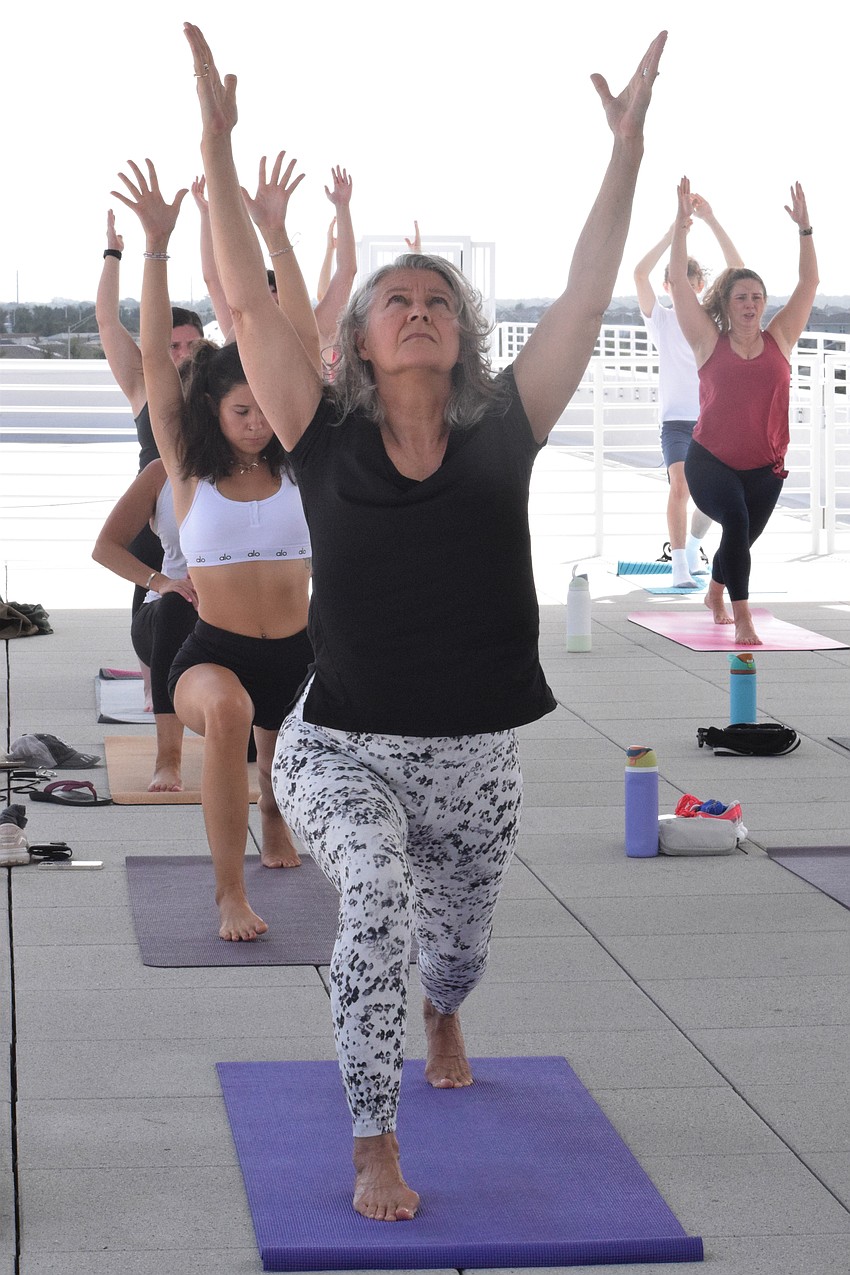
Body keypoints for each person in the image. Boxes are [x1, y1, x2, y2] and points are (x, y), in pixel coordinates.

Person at [185, 19, 666, 1220]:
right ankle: (374, 1143)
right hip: (342, 749)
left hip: (476, 761)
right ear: (355, 339)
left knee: (454, 951)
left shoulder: (509, 424)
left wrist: (625, 151)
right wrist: (216, 139)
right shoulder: (322, 433)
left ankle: (447, 1008)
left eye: (436, 299)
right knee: (378, 916)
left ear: (462, 336)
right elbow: (245, 299)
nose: (415, 309)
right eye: (394, 299)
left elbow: (591, 286)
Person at [111, 156, 314, 941]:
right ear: (216, 410)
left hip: (300, 653)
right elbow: (159, 362)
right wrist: (155, 247)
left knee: (290, 745)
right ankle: (231, 891)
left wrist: (275, 231)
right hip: (212, 653)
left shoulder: (304, 461)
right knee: (230, 712)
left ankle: (276, 807)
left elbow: (299, 336)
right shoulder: (189, 471)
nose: (258, 421)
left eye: (265, 406)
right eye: (242, 410)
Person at [669, 176, 818, 644]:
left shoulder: (781, 339)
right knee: (734, 521)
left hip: (766, 468)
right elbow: (677, 285)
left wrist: (806, 230)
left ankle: (715, 591)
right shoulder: (707, 342)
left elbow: (810, 282)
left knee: (741, 540)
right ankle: (743, 617)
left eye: (757, 297)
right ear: (728, 305)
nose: (750, 303)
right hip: (709, 461)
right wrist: (681, 225)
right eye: (741, 297)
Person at [634, 195, 743, 586]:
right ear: (670, 284)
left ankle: (695, 546)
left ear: (699, 285)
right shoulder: (660, 319)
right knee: (680, 483)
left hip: (712, 419)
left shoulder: (713, 319)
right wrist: (672, 231)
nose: (683, 285)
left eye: (691, 280)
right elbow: (638, 274)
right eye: (676, 280)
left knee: (716, 497)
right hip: (676, 423)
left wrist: (710, 219)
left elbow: (738, 271)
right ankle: (680, 564)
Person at [92, 459, 198, 792]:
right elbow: (105, 547)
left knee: (248, 752)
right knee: (177, 603)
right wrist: (160, 581)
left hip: (239, 616)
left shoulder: (272, 468)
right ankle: (168, 758)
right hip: (171, 614)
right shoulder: (160, 473)